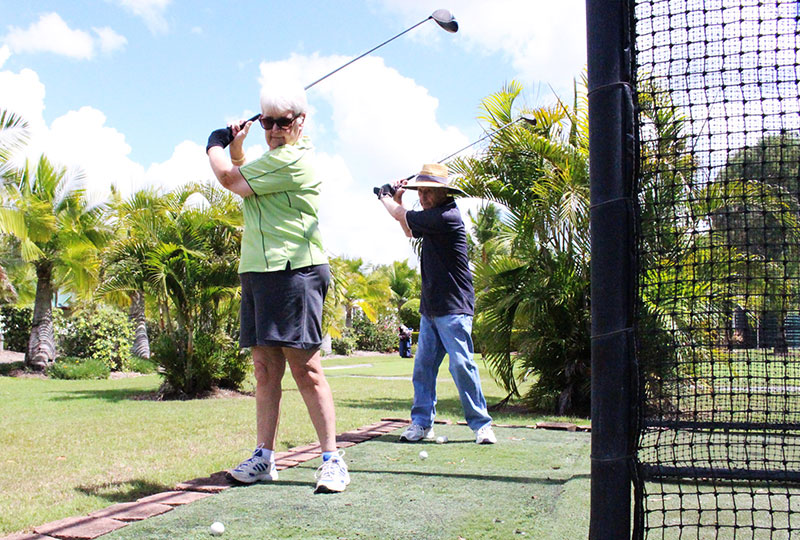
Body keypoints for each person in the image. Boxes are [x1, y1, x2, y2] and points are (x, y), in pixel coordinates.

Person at [206, 79, 349, 493]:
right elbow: (244, 175)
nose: (273, 130)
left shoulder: (293, 160)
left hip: (296, 270)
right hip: (258, 270)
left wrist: (214, 143)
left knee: (306, 368)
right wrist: (237, 146)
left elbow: (230, 179)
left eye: (282, 122)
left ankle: (331, 459)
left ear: (300, 122)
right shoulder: (270, 162)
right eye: (267, 122)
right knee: (265, 369)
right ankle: (264, 458)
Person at [377, 163, 497, 444]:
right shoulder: (431, 217)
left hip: (454, 307)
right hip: (430, 308)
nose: (424, 196)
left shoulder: (447, 216)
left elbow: (402, 216)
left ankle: (482, 425)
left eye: (430, 192)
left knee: (461, 365)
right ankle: (421, 424)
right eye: (420, 191)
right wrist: (397, 199)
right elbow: (408, 229)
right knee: (423, 368)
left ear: (444, 193)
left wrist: (384, 196)